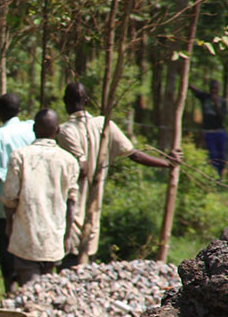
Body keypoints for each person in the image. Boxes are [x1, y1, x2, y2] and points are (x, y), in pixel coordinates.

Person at [57, 82, 179, 267]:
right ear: (88, 101)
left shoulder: (65, 131)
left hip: (72, 205)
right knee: (87, 254)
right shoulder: (105, 125)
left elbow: (81, 168)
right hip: (93, 206)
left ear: (65, 101)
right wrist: (167, 164)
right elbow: (135, 154)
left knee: (70, 256)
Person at [2, 109, 79, 286]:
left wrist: (9, 225)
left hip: (26, 239)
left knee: (30, 291)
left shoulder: (20, 156)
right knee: (47, 290)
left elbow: (9, 198)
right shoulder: (68, 161)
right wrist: (67, 236)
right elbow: (71, 202)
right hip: (53, 240)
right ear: (58, 130)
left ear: (34, 129)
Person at [0, 93, 36, 292]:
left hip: (7, 194)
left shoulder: (2, 134)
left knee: (6, 236)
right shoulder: (30, 127)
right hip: (30, 192)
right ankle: (28, 284)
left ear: (0, 112)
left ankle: (9, 285)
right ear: (19, 110)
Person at [189, 79, 226, 178]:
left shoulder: (222, 102)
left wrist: (216, 104)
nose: (213, 90)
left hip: (220, 132)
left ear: (218, 89)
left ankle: (221, 176)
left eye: (215, 89)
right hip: (209, 133)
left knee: (221, 156)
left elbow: (221, 118)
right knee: (213, 155)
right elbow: (193, 89)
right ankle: (215, 177)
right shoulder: (205, 98)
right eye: (212, 88)